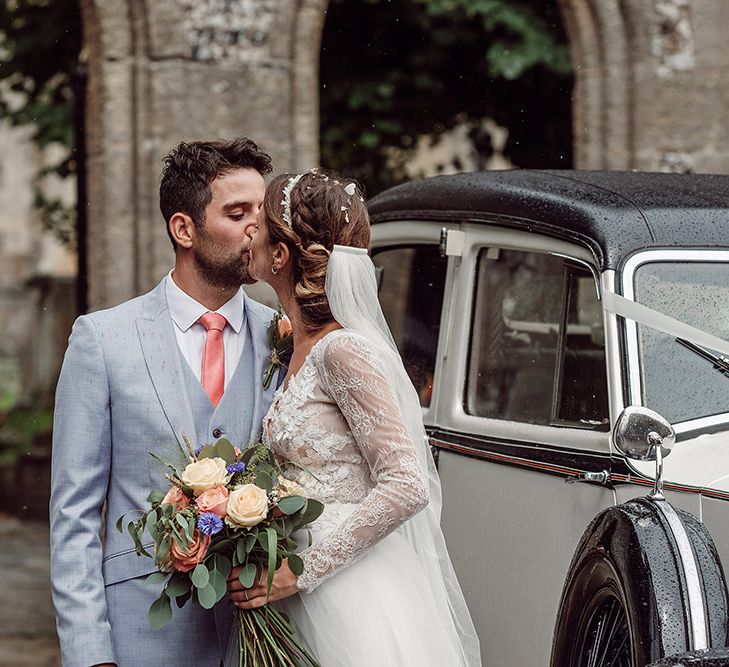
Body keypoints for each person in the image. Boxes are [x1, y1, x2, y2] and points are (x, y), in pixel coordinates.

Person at [227, 170, 482, 666]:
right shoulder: (292, 345)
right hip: (300, 586)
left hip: (349, 591)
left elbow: (407, 483)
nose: (248, 231)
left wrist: (301, 571)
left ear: (281, 257)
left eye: (257, 223)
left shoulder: (343, 351)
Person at [50, 137, 279, 667]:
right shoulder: (102, 340)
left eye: (261, 214)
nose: (257, 229)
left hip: (257, 638)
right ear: (184, 229)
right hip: (141, 633)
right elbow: (74, 513)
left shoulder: (285, 339)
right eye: (237, 212)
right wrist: (91, 655)